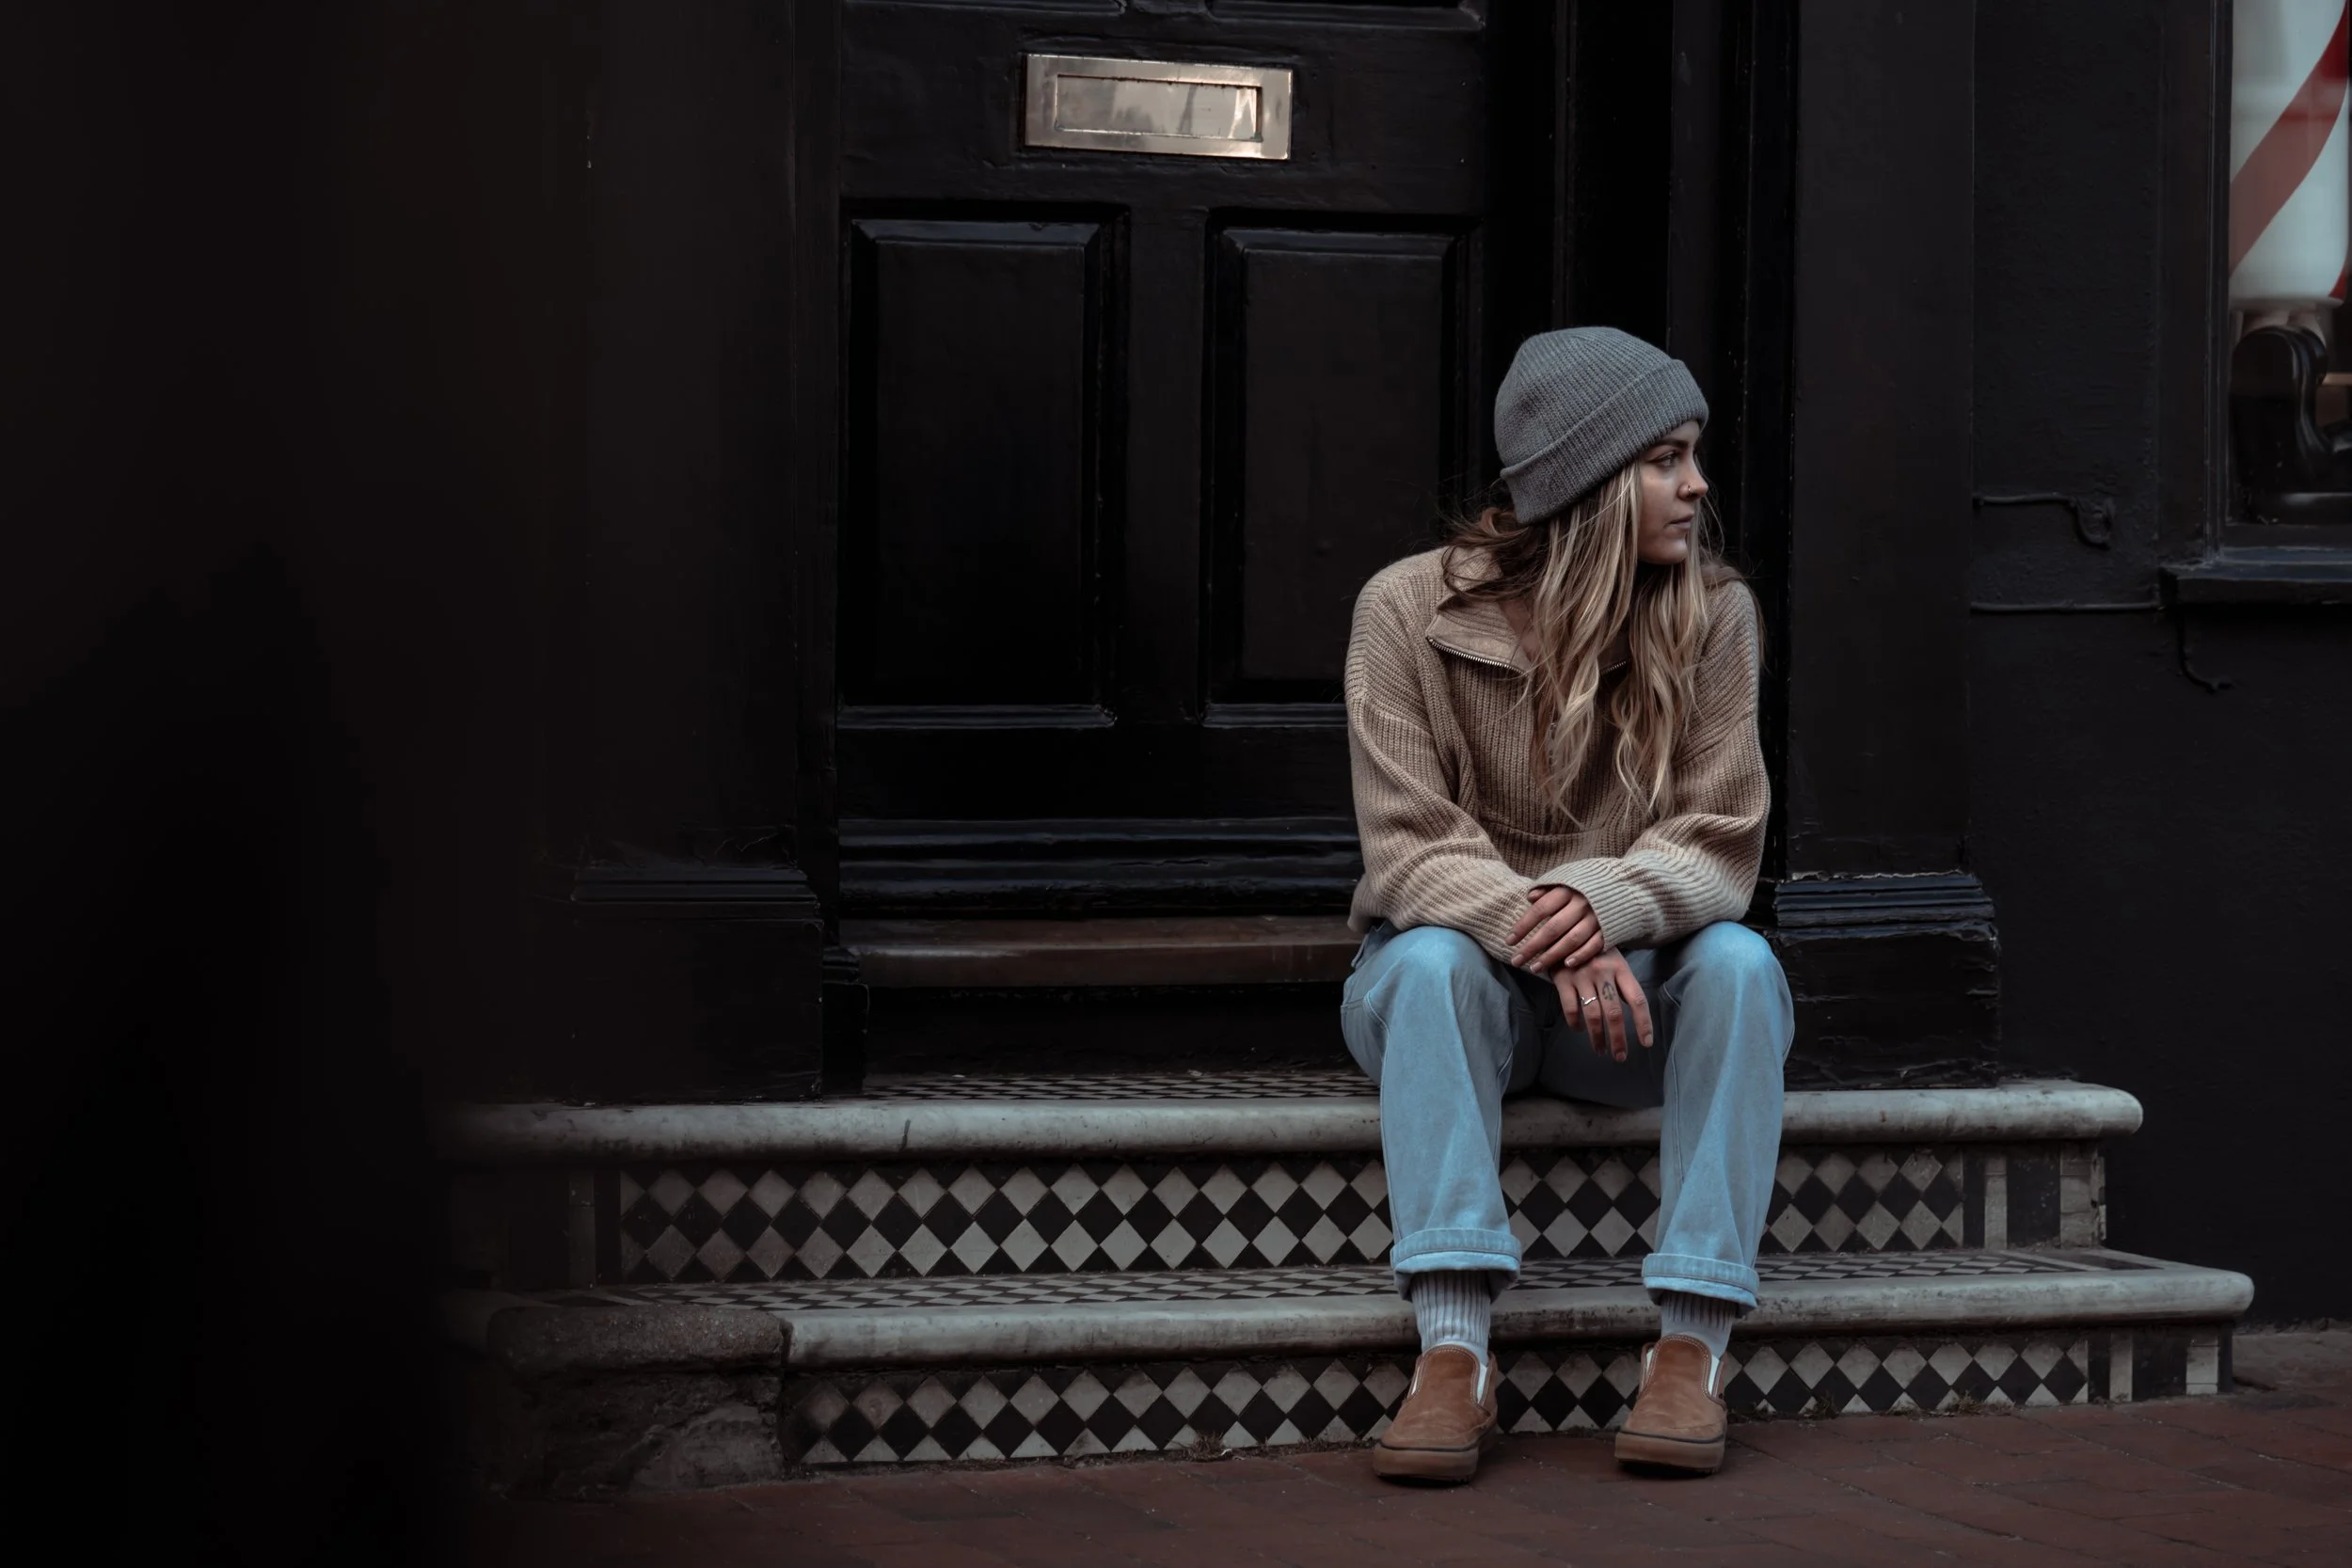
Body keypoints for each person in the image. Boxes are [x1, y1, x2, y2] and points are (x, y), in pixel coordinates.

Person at [1342, 326, 1792, 1483]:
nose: (1697, 485)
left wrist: (1597, 904)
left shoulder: (1713, 616)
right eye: (1665, 459)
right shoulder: (1402, 611)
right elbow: (1410, 845)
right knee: (1429, 958)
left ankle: (1691, 1344)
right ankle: (1452, 1351)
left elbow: (1719, 836)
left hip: (1620, 1017)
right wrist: (1545, 929)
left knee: (1742, 963)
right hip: (1457, 1004)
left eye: (1693, 455)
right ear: (1585, 482)